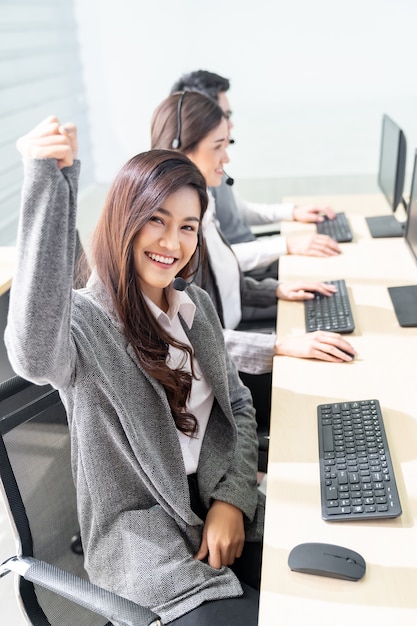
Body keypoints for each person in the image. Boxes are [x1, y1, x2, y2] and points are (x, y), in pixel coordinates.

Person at [5, 116, 265, 625]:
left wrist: (232, 500)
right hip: (143, 541)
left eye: (187, 227)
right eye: (157, 219)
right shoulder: (84, 322)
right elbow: (33, 354)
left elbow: (237, 404)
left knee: (323, 574)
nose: (172, 241)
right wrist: (48, 180)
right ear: (126, 217)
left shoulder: (196, 308)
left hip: (215, 501)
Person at [150, 91, 356, 378]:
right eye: (218, 146)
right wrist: (279, 345)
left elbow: (223, 283)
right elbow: (186, 338)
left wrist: (276, 290)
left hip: (234, 340)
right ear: (181, 149)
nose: (226, 157)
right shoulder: (170, 238)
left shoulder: (201, 207)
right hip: (218, 367)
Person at [170, 70, 341, 279]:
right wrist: (285, 244)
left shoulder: (213, 166)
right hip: (246, 273)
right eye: (224, 116)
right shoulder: (186, 195)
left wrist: (291, 212)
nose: (229, 124)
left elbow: (238, 211)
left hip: (252, 266)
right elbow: (215, 262)